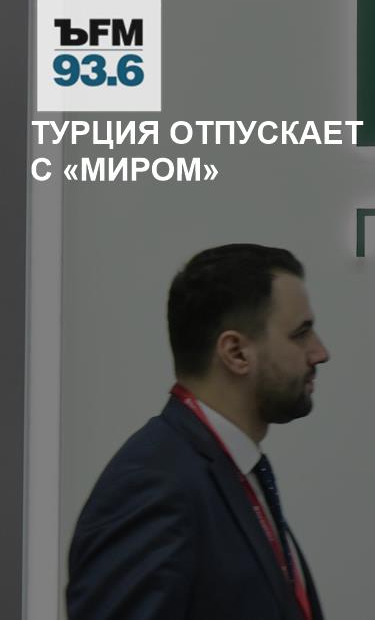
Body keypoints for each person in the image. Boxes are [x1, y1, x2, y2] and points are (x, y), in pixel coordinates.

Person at [67, 244, 330, 620]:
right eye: (301, 333)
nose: (320, 352)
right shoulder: (154, 485)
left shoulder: (231, 474)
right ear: (236, 353)